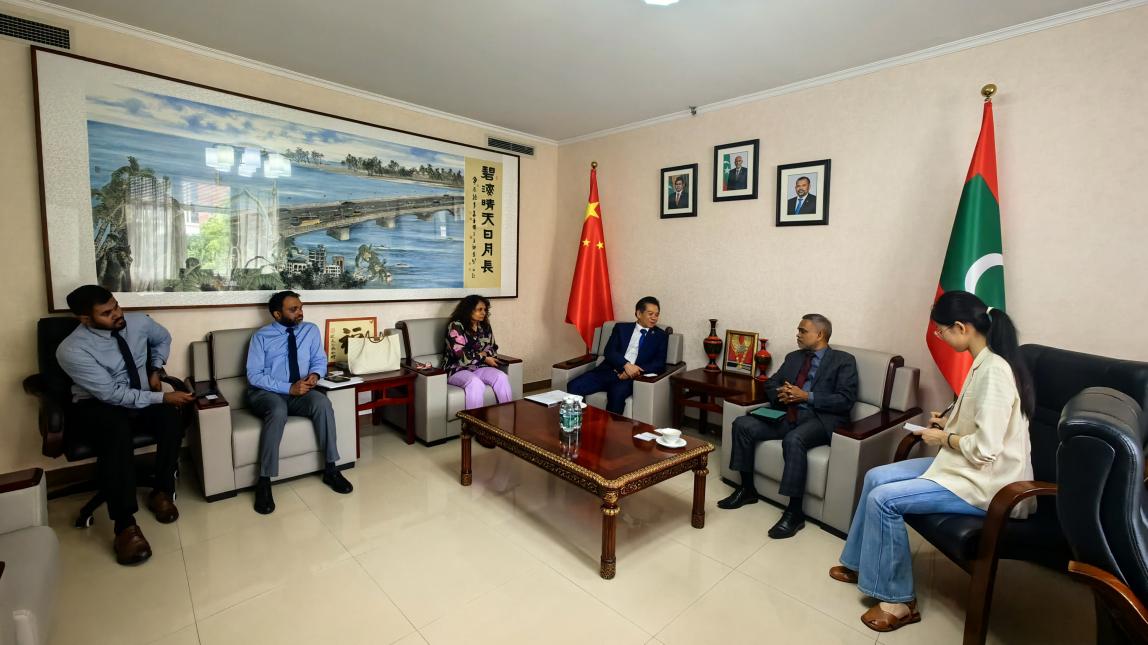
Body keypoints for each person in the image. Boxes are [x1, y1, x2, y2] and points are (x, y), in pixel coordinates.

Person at [831, 291, 1035, 633]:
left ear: (961, 327)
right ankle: (859, 563)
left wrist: (944, 439)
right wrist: (948, 423)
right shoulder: (982, 363)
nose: (939, 336)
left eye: (941, 331)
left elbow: (986, 448)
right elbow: (981, 425)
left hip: (988, 484)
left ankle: (899, 602)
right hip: (961, 468)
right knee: (876, 477)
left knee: (884, 500)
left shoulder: (995, 372)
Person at [55, 285, 195, 565]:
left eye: (116, 306)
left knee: (171, 417)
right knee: (116, 431)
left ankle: (162, 490)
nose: (117, 314)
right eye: (107, 313)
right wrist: (162, 397)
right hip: (99, 404)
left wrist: (155, 368)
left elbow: (163, 338)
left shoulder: (138, 322)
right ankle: (125, 525)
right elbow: (111, 394)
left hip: (141, 394)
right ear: (85, 319)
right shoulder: (72, 349)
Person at [717, 314, 858, 540]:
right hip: (788, 414)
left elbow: (845, 399)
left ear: (820, 334)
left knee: (794, 439)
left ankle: (794, 512)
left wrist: (807, 396)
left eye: (803, 331)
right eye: (798, 330)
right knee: (742, 424)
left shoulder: (843, 361)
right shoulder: (794, 357)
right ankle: (747, 489)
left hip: (819, 419)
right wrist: (781, 394)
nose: (798, 335)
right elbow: (771, 383)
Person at [246, 290, 352, 515]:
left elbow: (319, 360)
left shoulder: (310, 330)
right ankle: (264, 481)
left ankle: (331, 469)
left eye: (301, 307)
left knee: (322, 403)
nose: (300, 312)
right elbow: (254, 376)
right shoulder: (261, 337)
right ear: (277, 314)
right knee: (277, 409)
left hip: (301, 391)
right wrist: (288, 388)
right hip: (267, 393)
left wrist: (315, 374)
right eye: (293, 309)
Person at [568, 296, 668, 415]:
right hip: (609, 370)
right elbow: (609, 351)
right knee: (574, 386)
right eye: (650, 314)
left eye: (656, 314)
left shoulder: (660, 336)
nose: (654, 318)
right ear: (639, 313)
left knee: (616, 393)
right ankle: (578, 421)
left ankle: (612, 427)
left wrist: (633, 371)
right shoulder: (622, 328)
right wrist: (625, 365)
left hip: (632, 378)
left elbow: (659, 363)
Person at [443, 295, 513, 409]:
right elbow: (461, 356)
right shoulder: (456, 326)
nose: (483, 313)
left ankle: (507, 416)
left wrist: (480, 356)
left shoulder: (485, 326)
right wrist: (483, 357)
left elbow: (493, 349)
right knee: (475, 383)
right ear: (469, 310)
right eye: (479, 309)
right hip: (457, 369)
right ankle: (473, 420)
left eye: (485, 309)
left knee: (501, 377)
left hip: (479, 367)